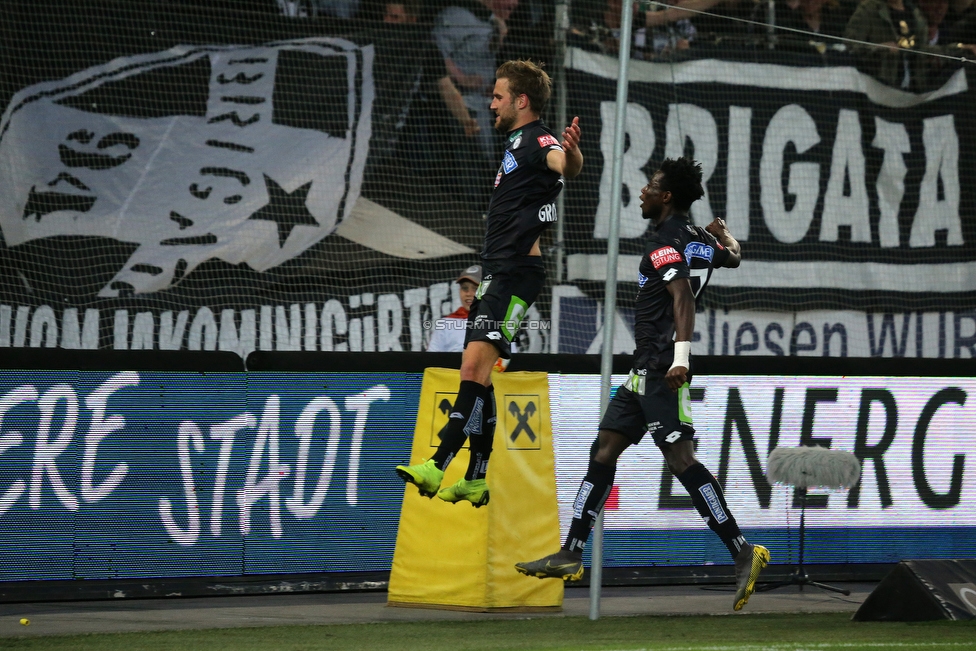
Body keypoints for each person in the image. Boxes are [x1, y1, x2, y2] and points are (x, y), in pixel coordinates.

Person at [514, 157, 770, 613]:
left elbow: (683, 298)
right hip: (641, 372)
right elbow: (731, 257)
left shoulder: (665, 246)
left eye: (650, 186)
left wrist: (681, 359)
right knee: (604, 450)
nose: (642, 192)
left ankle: (743, 551)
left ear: (666, 196)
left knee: (681, 460)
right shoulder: (694, 240)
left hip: (661, 369)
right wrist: (723, 232)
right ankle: (571, 552)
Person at [396, 59, 583, 508]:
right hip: (499, 271)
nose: (491, 102)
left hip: (515, 274)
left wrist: (572, 152)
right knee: (482, 377)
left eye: (498, 96)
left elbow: (565, 165)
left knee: (471, 371)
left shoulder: (540, 138)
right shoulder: (517, 140)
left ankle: (438, 463)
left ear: (521, 101)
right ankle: (477, 476)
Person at [844, 0, 976, 90]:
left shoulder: (914, 13)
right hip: (880, 89)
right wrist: (879, 48)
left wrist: (959, 48)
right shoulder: (869, 9)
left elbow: (924, 51)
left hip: (913, 95)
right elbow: (849, 47)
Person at [426, 265, 482, 353]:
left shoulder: (499, 321)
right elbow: (431, 359)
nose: (468, 293)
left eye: (475, 289)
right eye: (464, 288)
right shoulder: (444, 324)